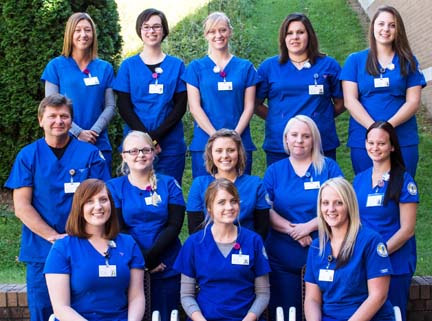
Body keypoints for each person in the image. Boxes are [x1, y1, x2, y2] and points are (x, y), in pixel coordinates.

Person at [4, 94, 110, 321]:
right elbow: (21, 207)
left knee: (84, 311)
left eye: (64, 116)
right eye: (52, 116)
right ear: (41, 120)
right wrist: (54, 237)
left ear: (71, 121)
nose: (58, 121)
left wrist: (82, 237)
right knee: (44, 310)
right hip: (42, 249)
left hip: (85, 246)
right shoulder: (28, 156)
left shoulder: (90, 154)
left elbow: (103, 201)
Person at [263, 115, 343, 321]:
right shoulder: (274, 171)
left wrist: (308, 227)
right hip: (282, 255)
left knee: (322, 311)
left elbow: (342, 206)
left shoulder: (329, 168)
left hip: (324, 251)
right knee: (285, 312)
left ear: (314, 140)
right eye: (295, 135)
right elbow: (266, 210)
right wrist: (295, 231)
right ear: (286, 139)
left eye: (306, 136)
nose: (300, 140)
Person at [106, 131, 185, 321]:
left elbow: (174, 226)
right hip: (129, 262)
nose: (140, 155)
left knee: (165, 315)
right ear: (123, 156)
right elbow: (118, 227)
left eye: (145, 150)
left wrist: (151, 258)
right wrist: (143, 261)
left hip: (166, 263)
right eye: (133, 151)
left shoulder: (169, 184)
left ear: (154, 153)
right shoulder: (113, 187)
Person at [341, 5, 426, 177]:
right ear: (373, 27)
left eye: (392, 25)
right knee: (367, 190)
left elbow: (413, 101)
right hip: (364, 138)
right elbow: (350, 100)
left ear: (398, 30)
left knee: (402, 189)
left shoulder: (408, 61)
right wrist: (374, 129)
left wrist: (387, 127)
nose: (385, 29)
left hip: (402, 138)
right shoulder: (355, 61)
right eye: (381, 24)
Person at [44, 179, 145, 321]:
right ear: (79, 207)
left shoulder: (129, 244)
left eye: (103, 199)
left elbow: (137, 297)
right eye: (89, 201)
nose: (98, 206)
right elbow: (61, 307)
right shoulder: (62, 248)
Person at [174, 178, 271, 321]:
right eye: (221, 202)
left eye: (233, 201)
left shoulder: (253, 241)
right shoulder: (194, 243)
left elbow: (263, 293)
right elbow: (186, 295)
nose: (229, 207)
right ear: (209, 208)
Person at [256, 13, 344, 167]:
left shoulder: (328, 65)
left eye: (300, 32)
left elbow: (343, 101)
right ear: (283, 38)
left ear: (309, 35)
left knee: (324, 188)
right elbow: (254, 104)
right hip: (280, 143)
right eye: (289, 33)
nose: (294, 37)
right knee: (282, 188)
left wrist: (323, 116)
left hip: (320, 141)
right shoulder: (269, 67)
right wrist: (277, 117)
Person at [304, 177, 395, 321]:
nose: (331, 209)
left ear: (349, 205)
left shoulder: (371, 241)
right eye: (325, 203)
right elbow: (312, 299)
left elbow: (378, 296)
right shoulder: (317, 247)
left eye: (338, 203)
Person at [114, 8, 187, 185]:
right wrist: (147, 140)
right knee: (136, 193)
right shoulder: (128, 66)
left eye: (156, 26)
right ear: (140, 30)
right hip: (135, 145)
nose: (151, 31)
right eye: (146, 27)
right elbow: (123, 106)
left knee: (169, 192)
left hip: (169, 144)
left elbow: (180, 106)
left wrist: (156, 138)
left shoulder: (176, 65)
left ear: (164, 31)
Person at [353, 121, 418, 321]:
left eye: (381, 143)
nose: (375, 148)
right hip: (366, 261)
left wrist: (379, 253)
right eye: (371, 143)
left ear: (392, 146)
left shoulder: (404, 181)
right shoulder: (359, 180)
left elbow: (407, 230)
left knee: (393, 314)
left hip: (394, 261)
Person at [183, 11, 259, 178]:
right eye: (212, 31)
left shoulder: (245, 67)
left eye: (222, 30)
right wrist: (215, 137)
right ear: (206, 35)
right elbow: (195, 108)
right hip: (206, 142)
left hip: (240, 142)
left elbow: (249, 107)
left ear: (230, 31)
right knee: (207, 194)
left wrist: (234, 137)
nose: (218, 35)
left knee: (239, 195)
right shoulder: (195, 68)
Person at [41, 12, 115, 171]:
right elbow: (51, 108)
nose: (83, 35)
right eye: (78, 30)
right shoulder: (55, 66)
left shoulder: (105, 68)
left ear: (93, 34)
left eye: (88, 30)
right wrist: (78, 132)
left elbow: (110, 106)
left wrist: (93, 132)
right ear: (70, 34)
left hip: (98, 142)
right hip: (65, 140)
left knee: (99, 191)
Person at [187, 129, 270, 240]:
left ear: (239, 153)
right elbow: (195, 228)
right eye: (219, 151)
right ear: (211, 154)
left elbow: (262, 228)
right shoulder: (199, 184)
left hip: (246, 248)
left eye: (231, 150)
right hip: (208, 249)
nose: (225, 155)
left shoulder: (255, 185)